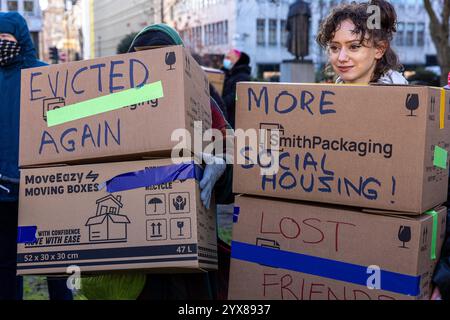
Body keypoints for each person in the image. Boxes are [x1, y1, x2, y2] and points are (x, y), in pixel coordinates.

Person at [81, 23, 233, 300]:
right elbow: (61, 130)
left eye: (162, 58)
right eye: (142, 59)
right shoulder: (109, 105)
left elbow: (236, 171)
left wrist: (222, 165)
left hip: (190, 258)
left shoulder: (203, 103)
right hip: (133, 255)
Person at [316, 0, 449, 300]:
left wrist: (443, 280)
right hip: (336, 256)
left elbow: (442, 195)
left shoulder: (416, 114)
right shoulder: (320, 110)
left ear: (379, 49)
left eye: (354, 46)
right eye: (334, 47)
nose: (342, 57)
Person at [0, 12, 72, 301]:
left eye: (5, 38)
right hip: (3, 191)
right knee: (6, 263)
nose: (1, 44)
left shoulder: (46, 76)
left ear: (20, 38)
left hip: (44, 188)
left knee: (55, 261)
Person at [221, 49, 251, 129]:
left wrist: (219, 103)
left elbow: (235, 95)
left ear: (237, 60)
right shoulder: (226, 74)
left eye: (229, 58)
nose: (226, 60)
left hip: (233, 120)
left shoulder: (243, 77)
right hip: (225, 117)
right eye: (225, 58)